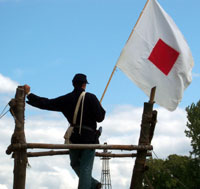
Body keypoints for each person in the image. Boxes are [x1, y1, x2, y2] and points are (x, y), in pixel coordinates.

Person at [24, 73, 105, 189]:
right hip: (89, 138)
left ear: (73, 84)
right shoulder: (91, 97)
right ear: (84, 85)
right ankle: (92, 184)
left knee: (75, 164)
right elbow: (100, 117)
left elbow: (46, 103)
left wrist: (29, 94)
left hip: (74, 138)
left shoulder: (67, 98)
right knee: (85, 168)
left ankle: (94, 184)